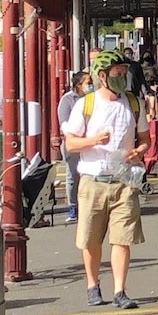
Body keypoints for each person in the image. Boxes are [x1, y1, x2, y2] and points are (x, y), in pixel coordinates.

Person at [62, 49, 150, 310]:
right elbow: (70, 143)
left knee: (122, 238)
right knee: (90, 239)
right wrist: (93, 140)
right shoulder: (85, 105)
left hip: (124, 181)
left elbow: (145, 139)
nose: (123, 78)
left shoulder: (134, 103)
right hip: (92, 180)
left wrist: (140, 151)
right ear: (102, 76)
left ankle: (120, 291)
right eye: (117, 74)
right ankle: (92, 284)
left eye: (124, 73)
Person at [57, 71, 93, 223]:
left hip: (91, 142)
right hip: (75, 143)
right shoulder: (68, 100)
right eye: (88, 82)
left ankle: (88, 206)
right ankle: (73, 207)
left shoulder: (93, 98)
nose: (91, 85)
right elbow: (64, 122)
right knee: (73, 175)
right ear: (78, 85)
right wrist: (72, 137)